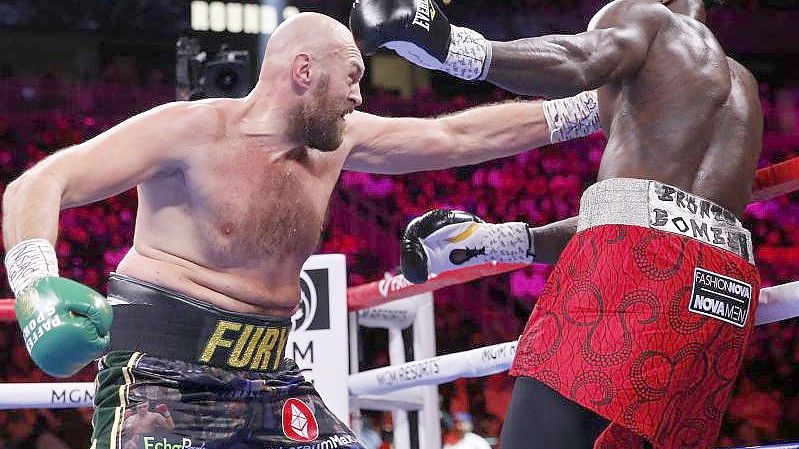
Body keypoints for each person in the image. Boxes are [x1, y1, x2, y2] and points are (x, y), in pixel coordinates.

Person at [2, 12, 603, 449]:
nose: (359, 96)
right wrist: (34, 285)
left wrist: (593, 110)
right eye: (354, 77)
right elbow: (38, 184)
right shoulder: (188, 131)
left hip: (271, 374)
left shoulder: (338, 144)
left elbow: (457, 137)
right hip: (164, 373)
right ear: (304, 69)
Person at [353, 0, 765, 448]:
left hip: (637, 269)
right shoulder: (744, 88)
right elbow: (663, 219)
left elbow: (581, 60)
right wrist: (498, 241)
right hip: (725, 291)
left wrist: (450, 45)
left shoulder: (647, 20)